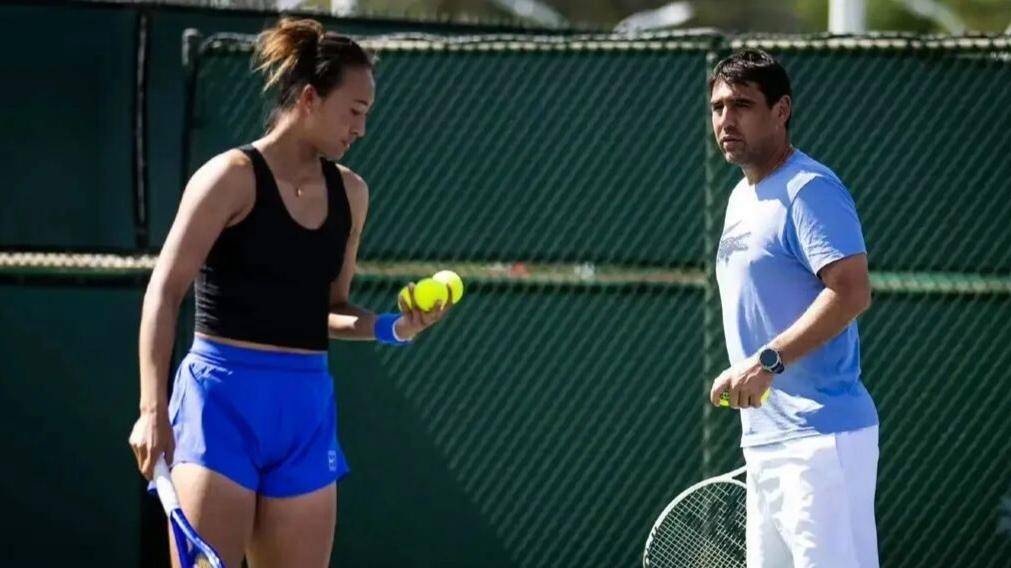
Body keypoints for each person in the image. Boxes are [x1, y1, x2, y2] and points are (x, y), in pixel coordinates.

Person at [128, 17, 451, 567]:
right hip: (218, 406)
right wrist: (152, 409)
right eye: (354, 110)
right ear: (309, 98)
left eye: (367, 114)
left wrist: (395, 327)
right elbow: (164, 291)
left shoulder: (352, 194)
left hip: (304, 412)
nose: (361, 129)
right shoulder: (227, 177)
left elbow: (329, 310)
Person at [707, 48, 879, 567]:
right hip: (765, 441)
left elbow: (851, 291)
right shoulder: (740, 197)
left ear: (781, 110)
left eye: (742, 105)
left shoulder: (810, 189)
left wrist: (767, 362)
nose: (726, 120)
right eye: (717, 107)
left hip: (821, 442)